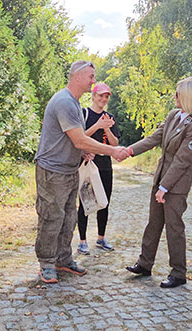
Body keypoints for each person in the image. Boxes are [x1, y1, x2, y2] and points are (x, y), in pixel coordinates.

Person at [34, 60, 131, 284]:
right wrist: (113, 151)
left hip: (69, 170)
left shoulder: (75, 104)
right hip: (52, 171)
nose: (93, 81)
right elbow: (79, 140)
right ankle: (47, 263)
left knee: (68, 218)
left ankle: (63, 259)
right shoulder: (65, 102)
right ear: (76, 76)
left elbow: (75, 140)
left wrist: (83, 153)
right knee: (51, 217)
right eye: (90, 77)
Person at [125, 77, 192, 288]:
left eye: (178, 94)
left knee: (174, 228)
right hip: (161, 177)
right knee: (153, 224)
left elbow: (182, 161)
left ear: (188, 97)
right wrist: (128, 151)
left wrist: (165, 187)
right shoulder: (174, 116)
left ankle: (178, 273)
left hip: (176, 185)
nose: (175, 97)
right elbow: (154, 138)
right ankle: (145, 264)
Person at [77, 82, 120, 255]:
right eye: (100, 95)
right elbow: (78, 136)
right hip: (87, 164)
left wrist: (107, 128)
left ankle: (101, 238)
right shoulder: (84, 113)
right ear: (93, 96)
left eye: (106, 96)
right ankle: (82, 241)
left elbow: (115, 144)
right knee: (86, 202)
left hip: (105, 165)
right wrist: (97, 126)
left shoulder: (110, 117)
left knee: (104, 202)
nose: (103, 99)